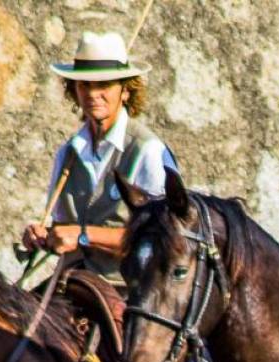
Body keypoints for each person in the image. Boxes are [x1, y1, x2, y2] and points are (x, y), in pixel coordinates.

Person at [22, 31, 178, 283]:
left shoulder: (147, 150)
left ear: (125, 91)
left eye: (103, 85)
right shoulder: (68, 154)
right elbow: (65, 230)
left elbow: (163, 237)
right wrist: (44, 236)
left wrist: (83, 236)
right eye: (85, 85)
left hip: (129, 290)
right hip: (70, 283)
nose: (93, 94)